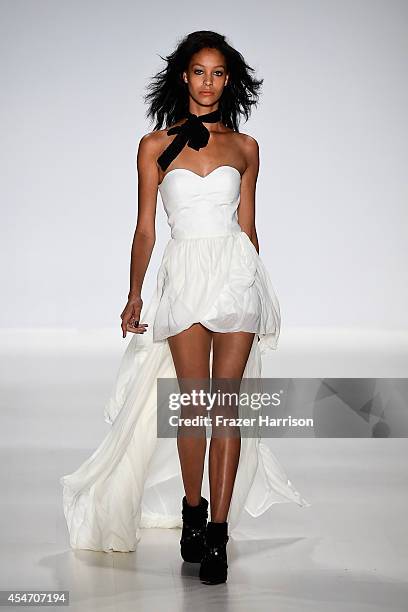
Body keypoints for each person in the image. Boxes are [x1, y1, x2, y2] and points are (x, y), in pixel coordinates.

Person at [60, 30, 310, 586]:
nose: (209, 83)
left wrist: (259, 286)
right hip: (184, 274)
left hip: (235, 274)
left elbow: (249, 229)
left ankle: (218, 534)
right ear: (183, 76)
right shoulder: (155, 145)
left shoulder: (246, 148)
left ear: (230, 80)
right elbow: (146, 227)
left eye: (219, 73)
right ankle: (192, 512)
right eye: (199, 71)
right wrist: (134, 294)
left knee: (226, 407)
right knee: (194, 406)